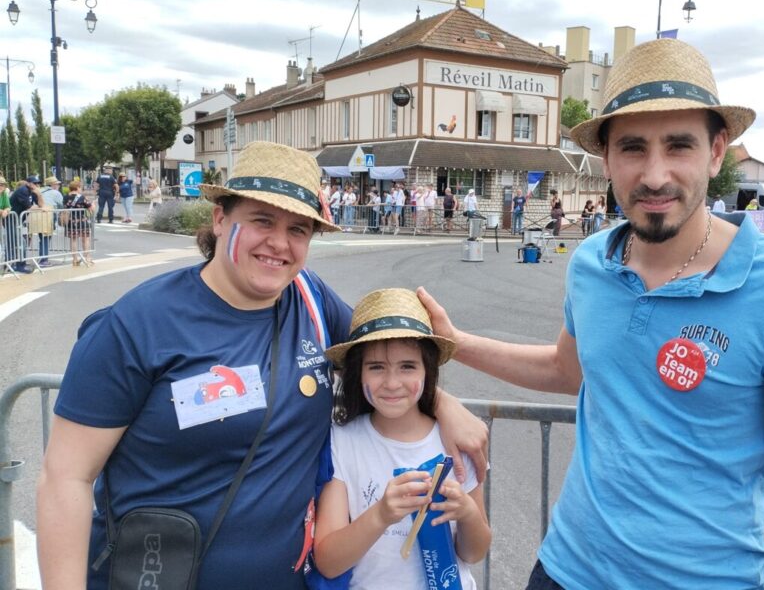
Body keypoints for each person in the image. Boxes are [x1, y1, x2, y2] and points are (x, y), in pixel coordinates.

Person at [418, 39, 764, 589]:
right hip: (564, 571)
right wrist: (455, 341)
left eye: (678, 146)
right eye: (632, 148)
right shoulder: (591, 264)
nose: (653, 175)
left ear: (717, 152)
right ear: (606, 159)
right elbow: (568, 370)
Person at [36, 141, 488, 590]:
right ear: (219, 219)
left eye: (298, 229)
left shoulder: (310, 299)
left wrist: (443, 402)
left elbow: (387, 358)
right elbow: (66, 478)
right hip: (152, 576)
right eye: (262, 220)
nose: (279, 243)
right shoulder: (137, 324)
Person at [312, 288, 490, 589]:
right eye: (376, 367)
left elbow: (474, 552)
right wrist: (381, 514)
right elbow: (328, 562)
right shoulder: (341, 442)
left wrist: (467, 513)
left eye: (408, 366)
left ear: (427, 370)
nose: (392, 383)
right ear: (357, 374)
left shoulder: (455, 442)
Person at [9, 174, 45, 273]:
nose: (37, 185)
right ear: (28, 183)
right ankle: (16, 265)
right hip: (10, 219)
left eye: (38, 183)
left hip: (18, 220)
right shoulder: (23, 190)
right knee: (17, 242)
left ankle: (18, 264)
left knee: (18, 242)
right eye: (35, 183)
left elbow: (41, 205)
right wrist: (38, 208)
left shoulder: (33, 192)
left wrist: (39, 194)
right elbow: (30, 207)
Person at [62, 180, 94, 266]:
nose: (81, 189)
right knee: (86, 239)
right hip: (82, 221)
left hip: (70, 221)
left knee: (73, 240)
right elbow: (91, 208)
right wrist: (93, 204)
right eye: (81, 187)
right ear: (77, 187)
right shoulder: (82, 197)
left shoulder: (65, 197)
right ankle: (87, 257)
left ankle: (74, 259)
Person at [39, 177, 64, 266]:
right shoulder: (56, 193)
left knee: (42, 238)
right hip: (49, 215)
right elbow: (62, 205)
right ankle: (43, 260)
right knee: (46, 238)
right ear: (53, 185)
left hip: (37, 215)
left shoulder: (39, 190)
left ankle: (42, 258)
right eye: (57, 184)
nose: (58, 185)